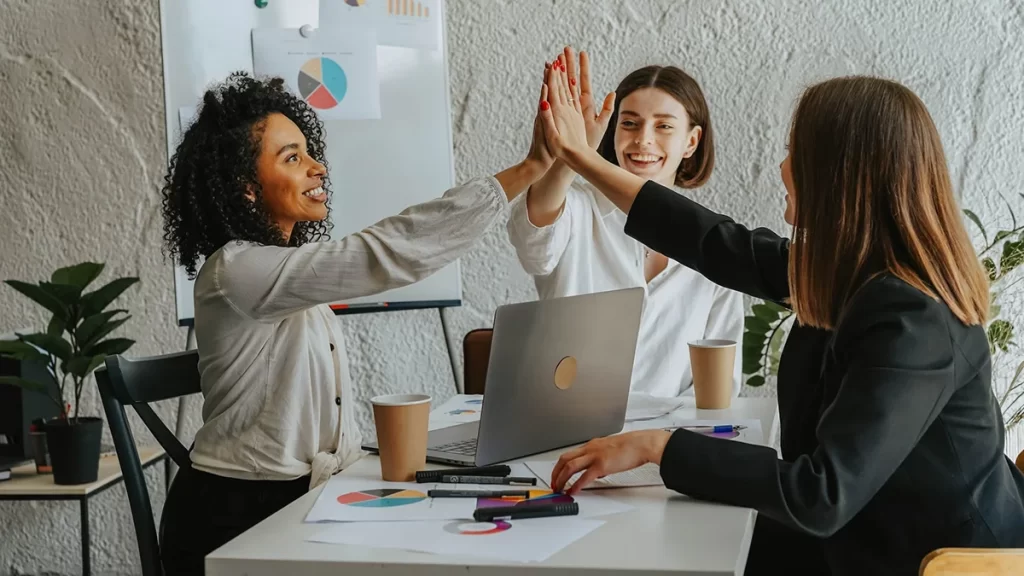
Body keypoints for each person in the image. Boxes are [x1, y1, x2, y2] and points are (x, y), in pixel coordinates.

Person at [537, 58, 1024, 575]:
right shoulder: (849, 271)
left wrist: (659, 447)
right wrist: (579, 157)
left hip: (928, 558)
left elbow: (820, 494)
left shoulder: (913, 317)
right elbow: (711, 241)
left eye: (795, 151)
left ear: (840, 175)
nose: (782, 168)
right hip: (861, 530)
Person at [157, 72, 554, 575]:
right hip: (235, 518)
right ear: (246, 190)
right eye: (292, 158)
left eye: (308, 152)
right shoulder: (236, 270)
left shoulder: (283, 273)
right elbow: (382, 254)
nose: (317, 167)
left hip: (297, 502)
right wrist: (529, 169)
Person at [507, 48, 744, 398]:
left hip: (665, 443)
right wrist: (573, 153)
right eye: (629, 123)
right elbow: (533, 241)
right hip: (568, 433)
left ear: (691, 141)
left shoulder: (715, 243)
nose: (643, 139)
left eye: (663, 126)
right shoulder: (576, 208)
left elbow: (720, 386)